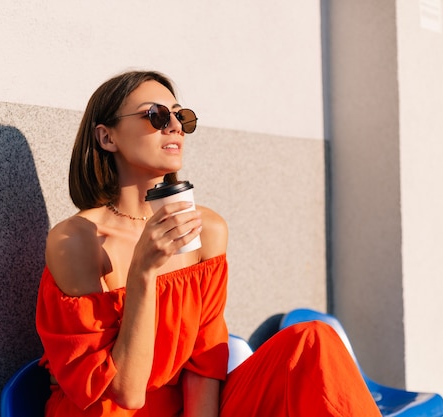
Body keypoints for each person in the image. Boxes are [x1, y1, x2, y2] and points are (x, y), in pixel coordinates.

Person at [35, 70, 381, 417]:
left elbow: (204, 360)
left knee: (311, 340)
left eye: (180, 116)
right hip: (106, 411)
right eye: (155, 115)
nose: (174, 127)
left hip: (186, 410)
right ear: (106, 137)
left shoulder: (207, 230)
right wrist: (143, 271)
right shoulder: (76, 242)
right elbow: (125, 393)